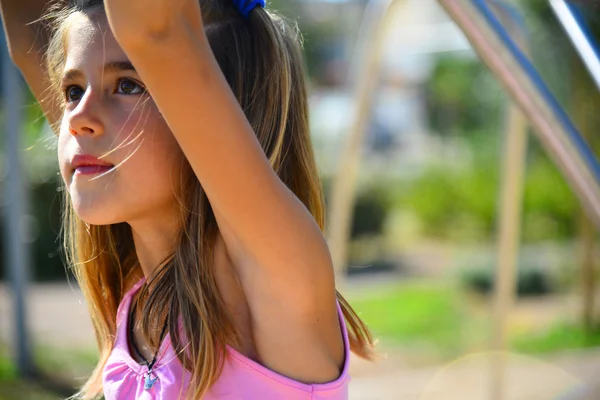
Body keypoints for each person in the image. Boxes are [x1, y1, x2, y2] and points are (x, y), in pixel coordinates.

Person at [0, 0, 375, 398]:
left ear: (220, 113)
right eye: (73, 90)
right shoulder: (137, 292)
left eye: (128, 85)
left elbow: (157, 30)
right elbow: (28, 27)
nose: (76, 117)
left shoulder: (272, 282)